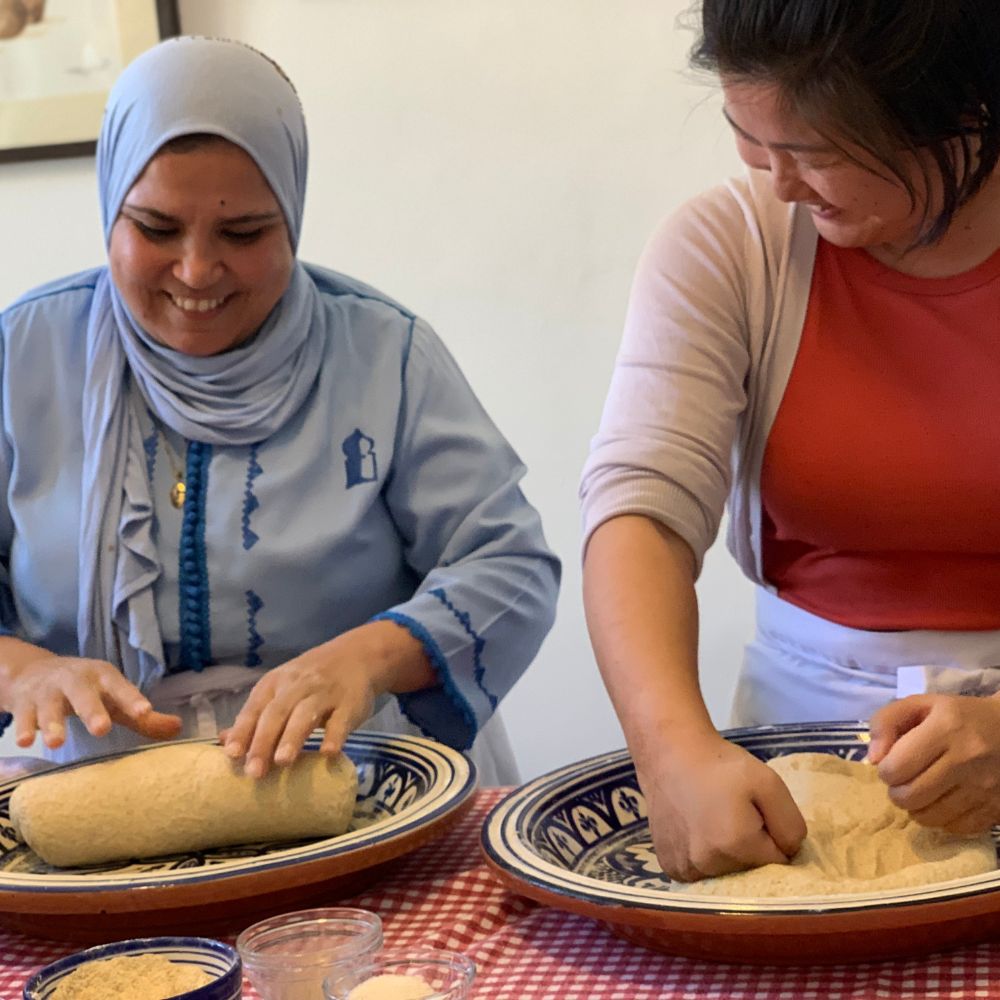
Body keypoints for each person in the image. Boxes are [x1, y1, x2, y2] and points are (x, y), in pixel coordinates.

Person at [0, 36, 559, 787]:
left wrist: (367, 657)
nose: (197, 270)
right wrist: (24, 670)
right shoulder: (24, 353)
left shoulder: (384, 354)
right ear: (110, 209)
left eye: (244, 232)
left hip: (361, 780)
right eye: (155, 228)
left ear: (292, 213)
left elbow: (510, 565)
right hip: (92, 802)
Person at [581, 0, 1000, 882]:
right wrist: (671, 751)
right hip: (801, 743)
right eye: (749, 138)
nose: (779, 183)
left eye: (815, 154)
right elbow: (641, 510)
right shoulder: (729, 249)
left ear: (967, 115)